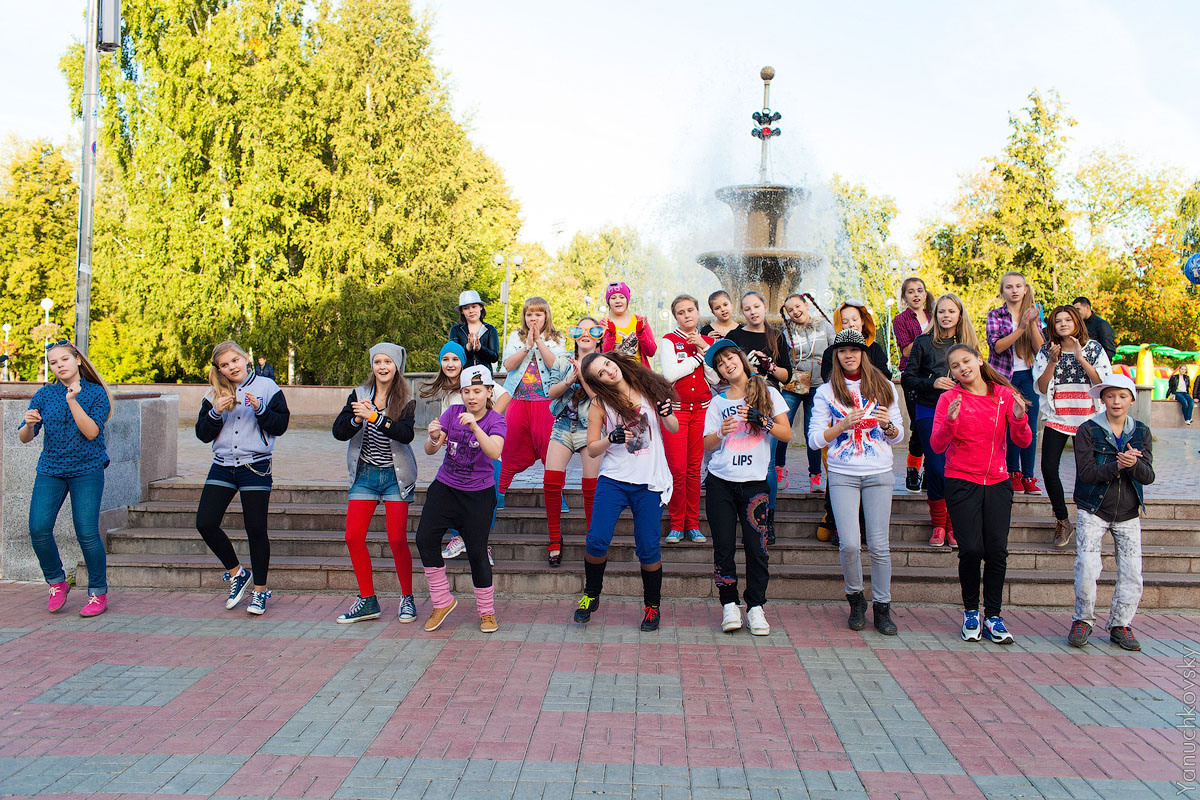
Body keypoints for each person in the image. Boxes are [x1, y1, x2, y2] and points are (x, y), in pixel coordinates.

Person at [931, 343, 1030, 645]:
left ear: (979, 360)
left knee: (997, 551)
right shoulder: (949, 398)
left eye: (966, 361)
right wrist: (950, 420)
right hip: (962, 482)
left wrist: (1018, 417)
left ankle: (995, 617)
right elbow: (936, 445)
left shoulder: (1002, 395)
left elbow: (1023, 442)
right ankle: (971, 612)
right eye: (955, 365)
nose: (962, 368)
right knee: (972, 549)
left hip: (998, 482)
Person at [573, 352, 678, 632]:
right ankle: (591, 594)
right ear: (599, 382)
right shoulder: (600, 404)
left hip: (648, 482)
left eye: (607, 364)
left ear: (614, 361)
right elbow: (592, 448)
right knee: (596, 540)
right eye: (601, 373)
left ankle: (652, 605)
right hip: (614, 480)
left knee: (648, 547)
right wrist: (611, 438)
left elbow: (673, 427)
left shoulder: (647, 388)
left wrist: (667, 414)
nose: (609, 371)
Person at [809, 330, 905, 635]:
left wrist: (886, 425)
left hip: (879, 471)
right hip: (842, 473)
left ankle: (883, 606)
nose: (848, 355)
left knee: (879, 545)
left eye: (854, 350)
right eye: (842, 351)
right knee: (849, 544)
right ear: (836, 356)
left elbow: (900, 435)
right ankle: (855, 600)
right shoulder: (826, 392)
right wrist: (840, 426)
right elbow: (813, 440)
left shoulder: (885, 386)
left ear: (864, 353)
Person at [194, 341, 290, 616]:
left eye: (234, 360)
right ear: (219, 369)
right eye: (224, 364)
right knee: (205, 522)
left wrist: (261, 409)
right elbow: (202, 434)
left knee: (255, 529)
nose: (231, 367)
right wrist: (215, 412)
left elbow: (280, 426)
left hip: (255, 466)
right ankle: (237, 573)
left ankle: (260, 591)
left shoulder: (268, 387)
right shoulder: (213, 393)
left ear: (245, 358)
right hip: (222, 465)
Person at [702, 339, 791, 635]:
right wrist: (720, 431)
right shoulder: (718, 402)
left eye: (730, 357)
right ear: (720, 373)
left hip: (754, 485)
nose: (728, 364)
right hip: (721, 483)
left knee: (757, 549)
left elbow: (787, 433)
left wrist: (761, 420)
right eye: (721, 364)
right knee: (723, 547)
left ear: (740, 358)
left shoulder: (767, 392)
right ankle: (729, 604)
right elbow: (707, 445)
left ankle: (756, 607)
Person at [18, 340, 112, 616]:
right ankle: (57, 582)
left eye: (63, 360)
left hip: (87, 470)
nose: (59, 366)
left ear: (78, 360)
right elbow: (24, 438)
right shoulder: (45, 394)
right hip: (51, 469)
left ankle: (97, 593)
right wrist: (29, 424)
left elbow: (91, 432)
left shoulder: (95, 393)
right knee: (38, 528)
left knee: (86, 532)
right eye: (53, 362)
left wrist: (72, 399)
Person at [331, 343, 419, 624]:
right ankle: (368, 600)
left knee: (396, 539)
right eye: (377, 362)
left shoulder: (406, 397)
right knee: (353, 536)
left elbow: (406, 435)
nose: (382, 367)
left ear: (396, 366)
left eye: (388, 362)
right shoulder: (358, 394)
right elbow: (338, 431)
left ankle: (407, 598)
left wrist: (377, 418)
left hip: (396, 476)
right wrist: (357, 418)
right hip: (365, 476)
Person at [417, 365, 507, 633]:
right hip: (445, 488)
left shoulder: (495, 420)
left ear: (489, 392)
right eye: (466, 391)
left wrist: (475, 426)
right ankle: (442, 601)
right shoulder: (453, 412)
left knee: (477, 552)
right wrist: (433, 438)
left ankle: (487, 612)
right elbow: (431, 449)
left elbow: (494, 452)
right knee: (424, 539)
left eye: (477, 391)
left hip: (478, 494)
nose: (471, 397)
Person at [1068, 375, 1154, 652]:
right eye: (1110, 396)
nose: (1116, 401)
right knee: (1087, 568)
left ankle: (1121, 624)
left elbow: (1148, 476)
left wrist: (1132, 466)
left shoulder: (1141, 432)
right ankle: (1083, 619)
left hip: (1128, 512)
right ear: (1102, 399)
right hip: (1093, 509)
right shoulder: (1088, 430)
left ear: (1131, 399)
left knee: (1132, 572)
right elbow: (1087, 474)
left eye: (1122, 396)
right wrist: (1118, 465)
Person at [421, 342, 511, 562]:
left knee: (489, 502)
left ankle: (481, 544)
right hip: (456, 465)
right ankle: (459, 538)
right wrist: (435, 438)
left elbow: (506, 396)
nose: (450, 364)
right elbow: (436, 444)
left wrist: (485, 422)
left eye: (455, 359)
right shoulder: (449, 401)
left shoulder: (479, 377)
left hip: (484, 462)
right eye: (445, 359)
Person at [901, 293, 979, 548]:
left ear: (959, 314)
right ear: (935, 315)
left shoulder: (968, 343)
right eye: (941, 311)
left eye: (951, 311)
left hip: (961, 411)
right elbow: (908, 378)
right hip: (929, 409)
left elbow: (980, 376)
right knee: (936, 467)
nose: (946, 316)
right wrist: (932, 382)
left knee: (957, 467)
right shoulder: (923, 342)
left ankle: (953, 524)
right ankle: (938, 524)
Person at [1034, 305, 1112, 547]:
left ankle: (1088, 520)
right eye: (1058, 321)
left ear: (1077, 322)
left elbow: (1103, 383)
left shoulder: (1094, 349)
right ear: (1053, 326)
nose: (1063, 324)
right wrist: (1053, 362)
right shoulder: (1047, 352)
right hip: (1058, 419)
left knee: (1086, 472)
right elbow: (1041, 387)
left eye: (1068, 319)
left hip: (1087, 421)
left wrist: (1081, 359)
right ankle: (1062, 519)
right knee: (1048, 468)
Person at [815, 299, 890, 545]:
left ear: (863, 321)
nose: (850, 324)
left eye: (854, 320)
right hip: (839, 426)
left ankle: (867, 525)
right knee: (836, 474)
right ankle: (837, 522)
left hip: (871, 427)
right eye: (844, 320)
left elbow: (884, 379)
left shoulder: (874, 349)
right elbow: (829, 380)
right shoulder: (831, 352)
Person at [726, 292, 792, 543]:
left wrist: (770, 367)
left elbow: (787, 376)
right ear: (742, 312)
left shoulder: (776, 336)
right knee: (738, 453)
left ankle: (767, 519)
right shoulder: (735, 336)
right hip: (739, 400)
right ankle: (740, 513)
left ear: (765, 307)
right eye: (747, 308)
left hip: (768, 399)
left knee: (768, 461)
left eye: (756, 306)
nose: (753, 311)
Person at [543, 317, 605, 566]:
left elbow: (602, 400)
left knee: (591, 487)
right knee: (550, 482)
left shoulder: (604, 363)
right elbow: (551, 394)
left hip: (590, 427)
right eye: (580, 330)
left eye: (593, 330)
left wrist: (585, 376)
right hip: (562, 426)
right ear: (575, 335)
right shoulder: (561, 360)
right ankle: (555, 540)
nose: (586, 334)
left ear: (599, 337)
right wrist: (570, 378)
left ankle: (592, 538)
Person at [660, 295, 718, 544]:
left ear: (698, 312)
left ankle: (692, 524)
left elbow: (715, 379)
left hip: (702, 410)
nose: (687, 315)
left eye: (691, 310)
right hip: (677, 410)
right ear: (676, 316)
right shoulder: (669, 340)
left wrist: (705, 349)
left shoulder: (708, 341)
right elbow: (670, 374)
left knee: (695, 469)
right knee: (677, 468)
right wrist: (696, 358)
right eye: (681, 312)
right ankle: (676, 524)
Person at [498, 296, 566, 506]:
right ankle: (499, 492)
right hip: (518, 401)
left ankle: (556, 495)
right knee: (509, 447)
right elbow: (508, 365)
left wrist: (538, 342)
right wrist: (527, 346)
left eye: (538, 314)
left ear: (546, 316)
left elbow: (557, 366)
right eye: (529, 314)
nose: (533, 318)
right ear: (524, 317)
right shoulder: (515, 337)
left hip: (546, 402)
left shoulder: (557, 338)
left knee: (551, 449)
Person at [986, 271, 1044, 494]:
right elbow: (997, 346)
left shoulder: (1033, 314)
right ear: (1002, 291)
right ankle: (1012, 472)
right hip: (1003, 377)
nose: (1014, 290)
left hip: (1028, 375)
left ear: (1025, 289)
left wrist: (1030, 324)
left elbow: (1040, 349)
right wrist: (1020, 328)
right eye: (1009, 287)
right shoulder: (996, 315)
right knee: (1009, 424)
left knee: (1029, 425)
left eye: (1019, 286)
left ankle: (1028, 475)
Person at [780, 293, 835, 494]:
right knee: (782, 425)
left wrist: (828, 364)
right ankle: (779, 469)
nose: (795, 312)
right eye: (790, 310)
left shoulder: (825, 326)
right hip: (795, 384)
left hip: (819, 385)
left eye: (797, 306)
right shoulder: (786, 332)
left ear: (806, 305)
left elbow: (836, 350)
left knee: (811, 431)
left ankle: (815, 476)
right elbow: (783, 357)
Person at [892, 277, 933, 492]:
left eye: (920, 290)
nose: (916, 295)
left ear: (925, 293)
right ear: (904, 296)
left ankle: (929, 470)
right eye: (910, 291)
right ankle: (912, 468)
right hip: (914, 375)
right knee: (918, 424)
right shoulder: (901, 320)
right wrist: (929, 333)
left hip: (936, 375)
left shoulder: (935, 314)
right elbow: (907, 350)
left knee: (936, 425)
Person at [601, 281, 657, 367]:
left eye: (622, 297)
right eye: (613, 298)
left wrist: (641, 334)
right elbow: (602, 356)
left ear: (627, 300)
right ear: (608, 302)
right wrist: (611, 335)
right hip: (616, 375)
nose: (618, 301)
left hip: (640, 375)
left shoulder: (639, 321)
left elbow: (651, 352)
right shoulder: (603, 324)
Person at [449, 289, 500, 372]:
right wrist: (467, 348)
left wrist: (480, 348)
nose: (471, 311)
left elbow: (494, 357)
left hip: (484, 377)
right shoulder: (456, 330)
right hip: (462, 376)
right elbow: (452, 355)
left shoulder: (490, 329)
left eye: (474, 306)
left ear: (481, 307)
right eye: (466, 308)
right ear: (462, 311)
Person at [1071, 297, 1117, 363]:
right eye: (1074, 311)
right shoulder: (1077, 325)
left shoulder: (1102, 325)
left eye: (1078, 309)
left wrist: (1100, 366)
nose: (1076, 313)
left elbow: (1109, 351)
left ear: (1087, 307)